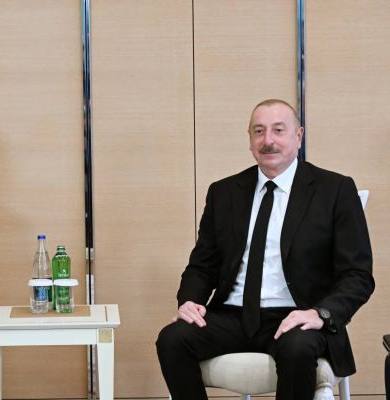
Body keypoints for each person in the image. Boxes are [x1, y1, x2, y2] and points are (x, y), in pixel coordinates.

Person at [156, 99, 374, 400]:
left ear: (298, 136)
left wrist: (320, 314)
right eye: (258, 131)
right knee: (172, 339)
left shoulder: (335, 190)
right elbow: (202, 265)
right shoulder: (224, 192)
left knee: (297, 349)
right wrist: (190, 301)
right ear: (250, 140)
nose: (268, 140)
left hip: (297, 316)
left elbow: (357, 275)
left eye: (278, 130)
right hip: (232, 315)